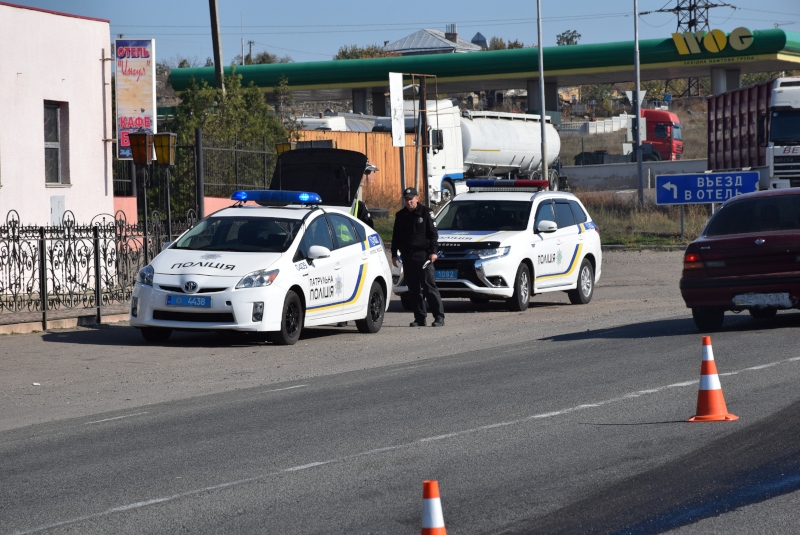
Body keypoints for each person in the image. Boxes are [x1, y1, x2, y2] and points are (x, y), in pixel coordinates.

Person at [391, 187, 445, 327]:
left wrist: (433, 252)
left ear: (417, 198)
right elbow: (396, 236)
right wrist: (394, 254)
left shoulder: (426, 212)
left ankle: (439, 317)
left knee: (428, 286)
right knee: (413, 289)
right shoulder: (400, 215)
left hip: (423, 255)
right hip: (407, 256)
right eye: (406, 199)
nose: (408, 202)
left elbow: (433, 234)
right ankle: (420, 318)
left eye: (411, 199)